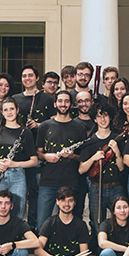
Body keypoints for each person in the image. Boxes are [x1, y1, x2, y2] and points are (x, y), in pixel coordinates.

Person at [0, 97, 38, 218]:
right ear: (2, 112)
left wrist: (14, 164)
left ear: (17, 110)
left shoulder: (25, 132)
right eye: (6, 109)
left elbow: (34, 161)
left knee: (18, 211)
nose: (9, 112)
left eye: (12, 109)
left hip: (17, 175)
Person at [36, 90, 88, 223]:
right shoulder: (44, 126)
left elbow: (82, 157)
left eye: (66, 101)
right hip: (48, 181)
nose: (63, 104)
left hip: (71, 181)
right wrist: (46, 156)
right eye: (60, 101)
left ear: (71, 105)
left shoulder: (79, 128)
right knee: (42, 222)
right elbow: (38, 153)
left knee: (71, 222)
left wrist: (72, 156)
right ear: (55, 104)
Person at [14, 64, 56, 228]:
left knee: (35, 191)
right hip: (19, 152)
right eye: (24, 76)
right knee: (18, 192)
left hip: (37, 151)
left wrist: (39, 125)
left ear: (37, 78)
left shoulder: (47, 98)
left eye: (30, 75)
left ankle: (33, 225)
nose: (27, 78)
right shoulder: (16, 99)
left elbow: (54, 122)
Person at [78, 103, 126, 231]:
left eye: (105, 115)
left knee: (121, 221)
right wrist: (93, 158)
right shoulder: (90, 141)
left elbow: (121, 168)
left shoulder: (117, 139)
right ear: (94, 119)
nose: (103, 119)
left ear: (110, 117)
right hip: (96, 187)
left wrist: (117, 152)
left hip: (116, 186)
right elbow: (81, 169)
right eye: (99, 116)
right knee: (97, 223)